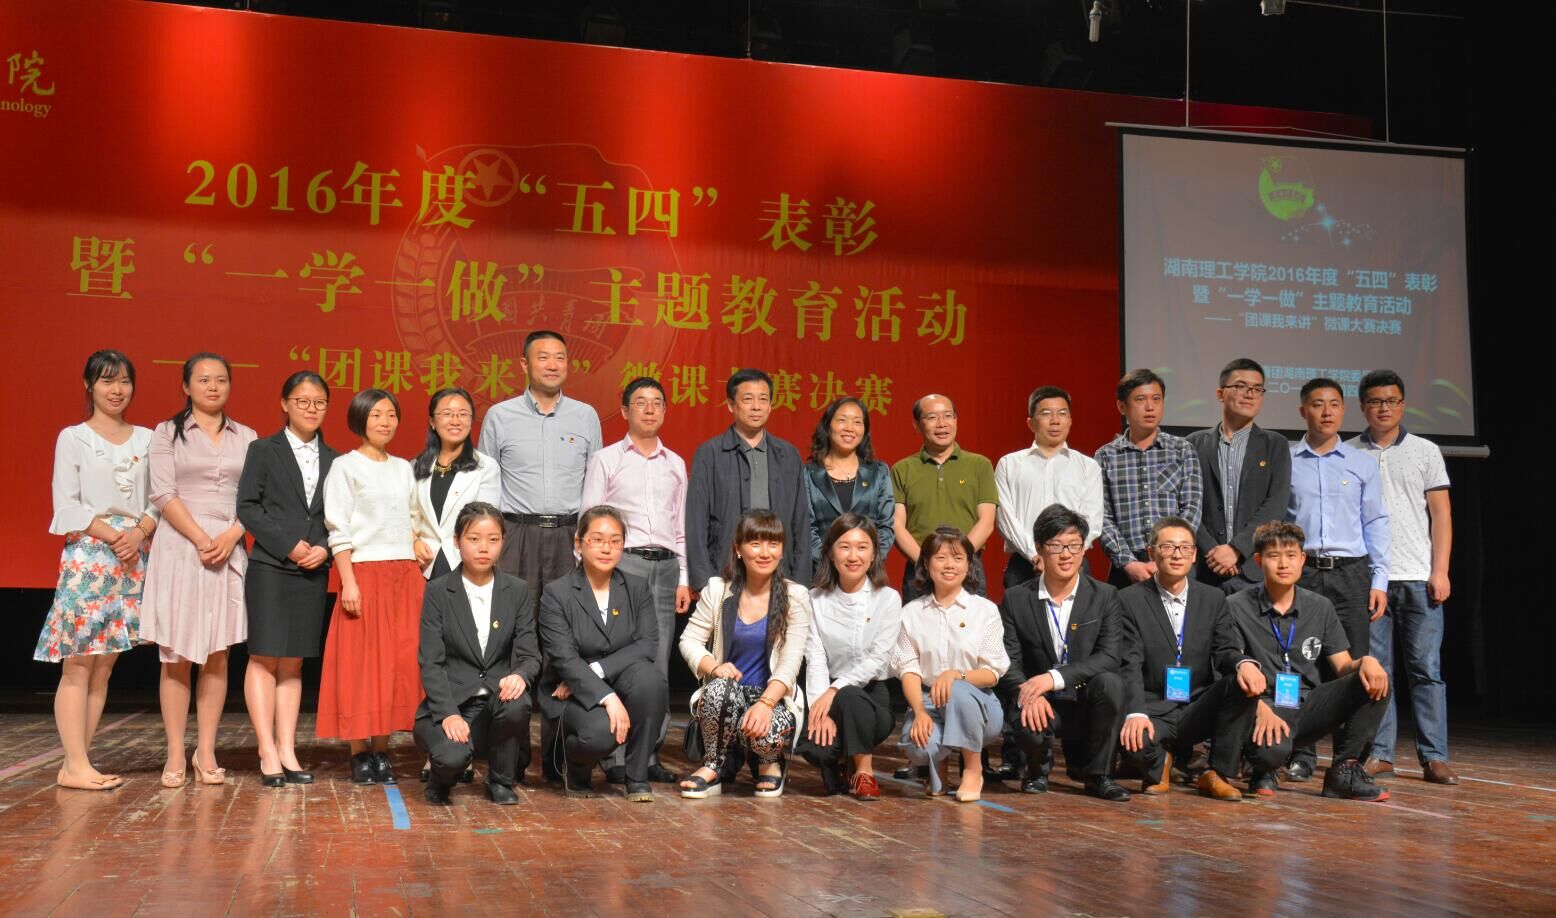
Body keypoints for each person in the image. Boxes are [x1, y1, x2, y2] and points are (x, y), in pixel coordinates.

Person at [35, 350, 159, 790]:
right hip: (90, 555)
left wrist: (138, 534)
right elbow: (67, 504)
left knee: (104, 665)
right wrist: (115, 536)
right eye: (107, 381)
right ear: (89, 386)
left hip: (133, 557)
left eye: (124, 381)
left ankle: (77, 763)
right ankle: (75, 763)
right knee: (78, 663)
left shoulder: (148, 439)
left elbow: (158, 499)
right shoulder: (74, 438)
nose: (116, 390)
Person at [139, 353, 257, 788]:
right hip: (180, 547)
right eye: (203, 379)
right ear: (186, 386)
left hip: (228, 547)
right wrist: (201, 538)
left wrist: (231, 535)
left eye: (221, 379)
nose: (213, 386)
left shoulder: (248, 437)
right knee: (176, 656)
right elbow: (163, 493)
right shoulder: (166, 433)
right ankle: (175, 752)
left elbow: (254, 497)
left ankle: (205, 750)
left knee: (217, 653)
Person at [1228, 521, 1392, 802]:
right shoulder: (1235, 605)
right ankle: (1261, 769)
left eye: (1291, 555)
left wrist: (1366, 662)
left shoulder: (1320, 606)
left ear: (1303, 559)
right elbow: (1228, 669)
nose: (1283, 564)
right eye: (1274, 555)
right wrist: (1256, 708)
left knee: (1374, 680)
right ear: (1258, 561)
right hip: (1262, 707)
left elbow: (1343, 667)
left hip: (1306, 706)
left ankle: (1344, 770)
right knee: (1270, 753)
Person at [1347, 370, 1457, 785]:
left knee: (1426, 670)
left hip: (1417, 577)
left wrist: (1440, 570)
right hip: (1370, 580)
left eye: (1391, 401)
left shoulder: (1426, 451)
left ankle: (1434, 757)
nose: (1384, 408)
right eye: (1375, 401)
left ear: (1403, 405)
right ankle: (1380, 753)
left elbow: (1441, 514)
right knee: (1378, 672)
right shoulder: (1348, 451)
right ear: (1363, 407)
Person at [579, 376, 688, 786]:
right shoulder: (606, 459)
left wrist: (684, 577)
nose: (649, 409)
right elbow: (589, 520)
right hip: (623, 566)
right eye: (640, 402)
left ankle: (648, 754)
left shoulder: (675, 463)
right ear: (625, 411)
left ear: (665, 411)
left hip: (666, 569)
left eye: (657, 402)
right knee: (621, 656)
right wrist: (590, 575)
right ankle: (615, 755)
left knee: (657, 662)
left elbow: (680, 527)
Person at [319, 388, 430, 786]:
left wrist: (415, 540)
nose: (385, 422)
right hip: (364, 573)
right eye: (377, 415)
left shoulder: (403, 468)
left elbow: (412, 515)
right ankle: (358, 752)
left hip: (404, 575)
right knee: (362, 665)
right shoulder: (344, 467)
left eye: (391, 415)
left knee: (397, 664)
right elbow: (338, 528)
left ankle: (381, 749)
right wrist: (348, 581)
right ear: (360, 420)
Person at [1284, 377, 1389, 781]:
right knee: (1300, 662)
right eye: (1317, 404)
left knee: (1355, 664)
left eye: (1333, 404)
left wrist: (1379, 581)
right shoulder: (1288, 461)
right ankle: (1300, 754)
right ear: (1302, 411)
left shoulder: (1361, 463)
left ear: (1343, 410)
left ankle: (1349, 758)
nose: (1326, 412)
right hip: (1304, 572)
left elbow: (1375, 522)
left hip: (1351, 573)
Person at [237, 371, 338, 787]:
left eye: (319, 402)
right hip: (271, 566)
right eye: (302, 401)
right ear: (285, 403)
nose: (311, 409)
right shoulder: (263, 449)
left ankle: (287, 748)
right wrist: (289, 546)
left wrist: (325, 548)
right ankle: (266, 749)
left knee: (294, 661)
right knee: (264, 656)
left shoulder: (336, 459)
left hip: (313, 569)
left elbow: (340, 515)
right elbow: (248, 507)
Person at [1116, 517, 1263, 801]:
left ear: (1194, 555)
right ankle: (1161, 762)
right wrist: (1135, 712)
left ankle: (1216, 773)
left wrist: (1244, 663)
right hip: (1153, 708)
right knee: (1133, 743)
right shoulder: (1128, 600)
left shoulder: (1213, 598)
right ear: (1152, 553)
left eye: (1185, 548)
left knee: (1242, 680)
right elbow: (1128, 663)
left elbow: (1226, 649)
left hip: (1197, 706)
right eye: (1168, 547)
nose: (1177, 554)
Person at [998, 506, 1129, 801]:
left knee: (1111, 684)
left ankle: (1099, 776)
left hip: (1083, 698)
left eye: (1074, 545)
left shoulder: (1105, 595)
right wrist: (1028, 690)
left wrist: (1053, 678)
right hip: (1039, 699)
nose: (1066, 555)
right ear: (1039, 549)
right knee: (1025, 705)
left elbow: (1110, 656)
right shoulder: (1016, 598)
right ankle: (1036, 771)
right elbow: (1008, 660)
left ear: (1084, 549)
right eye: (1056, 546)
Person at [678, 509, 812, 799]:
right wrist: (714, 667)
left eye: (773, 544)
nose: (765, 552)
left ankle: (769, 762)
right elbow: (689, 640)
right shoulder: (718, 589)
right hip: (729, 697)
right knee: (719, 689)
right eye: (755, 543)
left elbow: (791, 663)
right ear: (738, 549)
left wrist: (765, 703)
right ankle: (713, 765)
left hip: (772, 699)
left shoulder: (796, 596)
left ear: (781, 550)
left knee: (767, 730)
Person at [538, 506, 669, 801]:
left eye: (615, 541)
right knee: (600, 733)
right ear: (579, 543)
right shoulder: (557, 593)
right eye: (597, 539)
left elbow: (647, 645)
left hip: (617, 678)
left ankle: (637, 776)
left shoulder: (636, 588)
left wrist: (597, 670)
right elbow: (564, 658)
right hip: (570, 690)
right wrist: (608, 697)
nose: (606, 548)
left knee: (652, 682)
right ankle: (575, 767)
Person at [415, 502, 540, 806]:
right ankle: (440, 780)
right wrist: (448, 713)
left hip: (495, 704)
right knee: (451, 758)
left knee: (517, 701)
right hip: (452, 702)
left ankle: (501, 780)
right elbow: (431, 662)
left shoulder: (517, 590)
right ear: (457, 541)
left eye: (493, 539)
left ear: (502, 542)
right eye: (474, 539)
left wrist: (520, 675)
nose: (484, 548)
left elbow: (531, 656)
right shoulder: (438, 591)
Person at [477, 329, 602, 602]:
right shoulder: (499, 416)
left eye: (560, 358)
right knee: (513, 615)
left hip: (570, 536)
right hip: (516, 535)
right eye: (543, 358)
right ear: (525, 364)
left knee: (568, 616)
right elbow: (484, 484)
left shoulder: (586, 416)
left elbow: (595, 484)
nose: (553, 365)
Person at [893, 525, 1008, 802]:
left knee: (956, 690)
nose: (949, 565)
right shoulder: (911, 613)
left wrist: (955, 675)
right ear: (926, 563)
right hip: (929, 701)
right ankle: (938, 767)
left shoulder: (985, 611)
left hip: (978, 703)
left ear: (969, 565)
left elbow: (992, 672)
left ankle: (973, 768)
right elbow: (909, 670)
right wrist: (919, 711)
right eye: (941, 557)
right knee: (917, 744)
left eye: (957, 558)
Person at [799, 513, 903, 800]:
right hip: (827, 692)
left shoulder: (888, 598)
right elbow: (815, 658)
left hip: (872, 698)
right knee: (815, 748)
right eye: (844, 547)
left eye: (862, 547)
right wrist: (820, 708)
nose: (853, 556)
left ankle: (863, 773)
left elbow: (878, 659)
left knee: (849, 696)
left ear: (874, 554)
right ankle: (838, 761)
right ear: (831, 553)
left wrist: (835, 690)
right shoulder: (814, 599)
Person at [686, 368, 811, 594]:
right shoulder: (710, 453)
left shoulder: (788, 454)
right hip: (724, 574)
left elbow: (801, 521)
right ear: (731, 405)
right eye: (747, 399)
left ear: (770, 406)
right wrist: (704, 582)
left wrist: (800, 582)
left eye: (763, 399)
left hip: (780, 574)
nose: (756, 406)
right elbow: (696, 521)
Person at [1185, 359, 1292, 592]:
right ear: (1220, 393)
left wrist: (1236, 549)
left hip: (1253, 568)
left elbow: (1275, 505)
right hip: (1204, 568)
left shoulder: (1276, 445)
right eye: (1241, 386)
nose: (1249, 394)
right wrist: (1212, 551)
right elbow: (1187, 505)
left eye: (1257, 389)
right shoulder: (1193, 444)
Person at [1097, 369, 1203, 589]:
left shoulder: (1182, 450)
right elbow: (1102, 517)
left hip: (1175, 560)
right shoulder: (1106, 456)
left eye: (1156, 399)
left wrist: (1169, 553)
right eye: (1140, 399)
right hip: (1127, 567)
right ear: (1122, 407)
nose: (1150, 407)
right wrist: (1128, 562)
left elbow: (1192, 507)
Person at [995, 385, 1104, 588]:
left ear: (1070, 421)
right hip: (1025, 564)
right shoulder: (1009, 464)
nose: (1055, 420)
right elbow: (1005, 518)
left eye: (1062, 413)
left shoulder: (1088, 466)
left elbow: (1093, 519)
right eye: (1046, 414)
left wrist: (1065, 551)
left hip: (1073, 562)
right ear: (1031, 423)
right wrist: (1035, 554)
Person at [890, 394, 997, 601]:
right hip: (919, 569)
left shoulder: (980, 465)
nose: (942, 424)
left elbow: (986, 522)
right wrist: (926, 562)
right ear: (917, 425)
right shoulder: (902, 469)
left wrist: (958, 559)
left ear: (956, 420)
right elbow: (896, 524)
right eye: (932, 417)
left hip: (969, 568)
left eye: (948, 416)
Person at [412, 387, 500, 581]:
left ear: (471, 420)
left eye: (462, 414)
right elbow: (407, 516)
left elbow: (486, 521)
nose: (455, 421)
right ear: (432, 422)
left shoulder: (486, 467)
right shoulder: (416, 466)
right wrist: (414, 541)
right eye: (447, 414)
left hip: (465, 564)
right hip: (422, 565)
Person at [803, 397, 894, 566]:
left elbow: (886, 527)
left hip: (867, 570)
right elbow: (806, 527)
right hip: (821, 572)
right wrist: (830, 564)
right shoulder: (808, 474)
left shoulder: (879, 472)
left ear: (865, 430)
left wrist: (866, 562)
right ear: (827, 426)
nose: (849, 428)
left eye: (857, 422)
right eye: (842, 420)